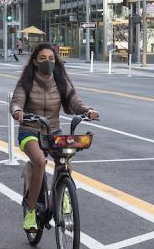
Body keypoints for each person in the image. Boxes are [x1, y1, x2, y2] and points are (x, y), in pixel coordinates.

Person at [10, 43, 98, 231]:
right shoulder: (26, 80)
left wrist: (87, 111)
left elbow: (73, 99)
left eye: (51, 58)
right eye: (42, 59)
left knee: (64, 160)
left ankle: (63, 198)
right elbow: (17, 100)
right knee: (40, 162)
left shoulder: (60, 79)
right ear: (35, 61)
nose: (47, 62)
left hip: (53, 131)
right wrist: (18, 111)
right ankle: (31, 212)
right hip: (30, 130)